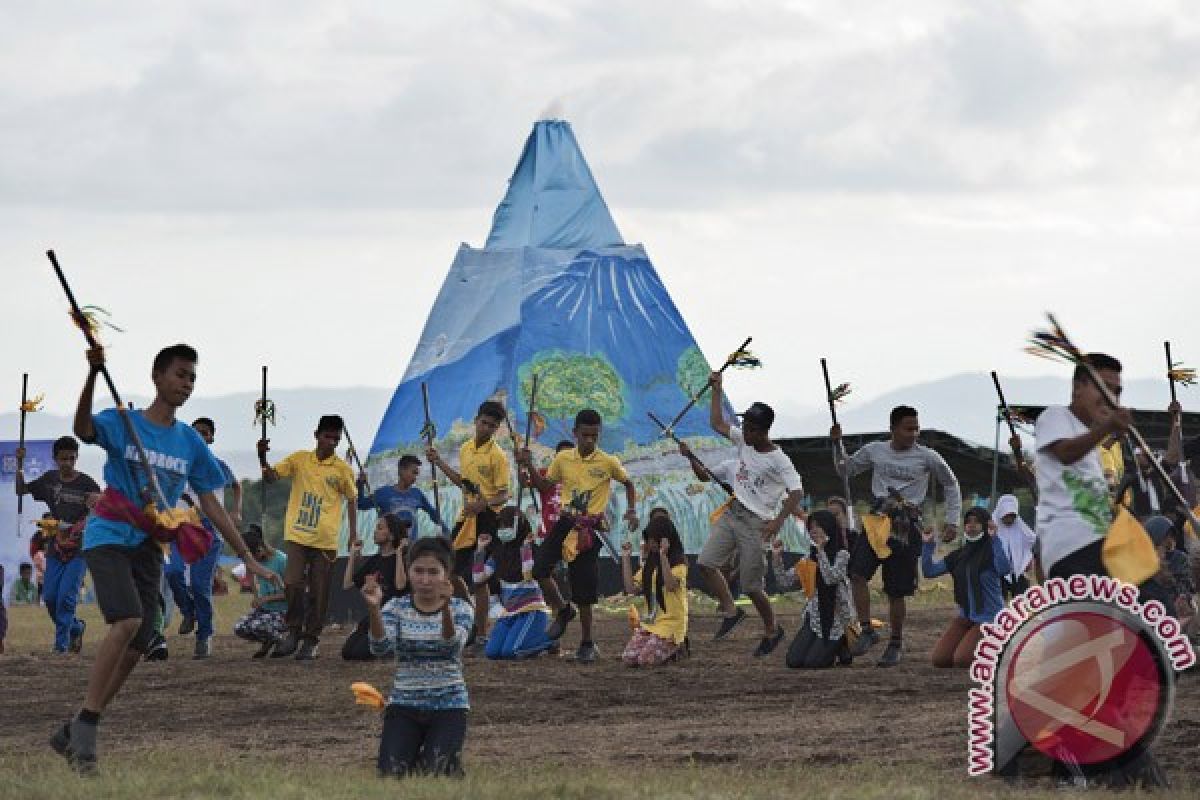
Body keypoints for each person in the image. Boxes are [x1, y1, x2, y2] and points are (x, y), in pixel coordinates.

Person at [50, 343, 276, 773]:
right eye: (180, 375)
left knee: (142, 639)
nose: (187, 384)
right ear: (157, 376)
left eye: (192, 378)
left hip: (150, 543)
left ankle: (81, 722)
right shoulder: (125, 423)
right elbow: (82, 429)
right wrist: (93, 374)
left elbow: (211, 504)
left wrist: (248, 557)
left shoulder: (190, 441)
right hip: (109, 533)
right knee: (129, 621)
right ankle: (86, 735)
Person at [1033, 352, 1168, 787]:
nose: (1112, 397)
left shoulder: (1098, 444)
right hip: (1073, 552)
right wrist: (1108, 427)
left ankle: (1099, 755)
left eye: (1119, 390)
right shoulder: (1056, 419)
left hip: (1102, 550)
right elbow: (1068, 455)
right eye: (1104, 387)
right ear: (1077, 388)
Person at [831, 404, 962, 667]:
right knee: (856, 573)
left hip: (906, 525)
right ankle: (867, 630)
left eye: (916, 428)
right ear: (892, 429)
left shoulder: (928, 457)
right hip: (878, 521)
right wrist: (836, 445)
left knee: (896, 590)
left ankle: (895, 642)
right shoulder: (874, 451)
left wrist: (952, 520)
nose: (914, 434)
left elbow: (951, 483)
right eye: (908, 428)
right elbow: (845, 469)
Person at [695, 372, 803, 658]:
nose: (743, 431)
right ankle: (731, 611)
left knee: (753, 586)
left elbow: (797, 492)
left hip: (757, 524)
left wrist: (778, 523)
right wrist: (717, 390)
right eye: (744, 426)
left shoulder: (779, 460)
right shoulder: (745, 441)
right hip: (733, 514)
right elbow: (717, 423)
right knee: (706, 563)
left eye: (749, 428)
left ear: (761, 430)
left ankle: (772, 629)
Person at [519, 409, 639, 664]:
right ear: (575, 433)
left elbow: (628, 484)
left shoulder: (609, 462)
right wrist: (529, 463)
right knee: (540, 569)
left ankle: (587, 643)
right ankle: (563, 611)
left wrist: (631, 510)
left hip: (589, 530)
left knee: (584, 589)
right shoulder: (563, 458)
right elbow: (544, 486)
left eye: (594, 436)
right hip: (564, 523)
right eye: (584, 435)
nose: (589, 441)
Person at [365, 536, 473, 777]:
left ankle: (447, 766)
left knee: (435, 773)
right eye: (419, 571)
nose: (425, 580)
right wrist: (374, 609)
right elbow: (380, 649)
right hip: (404, 704)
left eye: (433, 572)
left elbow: (452, 647)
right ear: (409, 570)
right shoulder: (395, 607)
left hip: (449, 704)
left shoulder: (461, 608)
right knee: (391, 774)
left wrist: (445, 609)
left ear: (447, 574)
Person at [259, 414, 360, 661]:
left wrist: (353, 534)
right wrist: (262, 457)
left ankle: (311, 640)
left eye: (336, 439)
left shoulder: (342, 469)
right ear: (316, 435)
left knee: (319, 591)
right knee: (292, 583)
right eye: (327, 437)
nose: (332, 442)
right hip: (297, 534)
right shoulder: (300, 459)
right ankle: (292, 632)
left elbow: (352, 498)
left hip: (325, 540)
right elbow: (271, 477)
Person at [426, 401, 510, 648]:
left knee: (479, 578)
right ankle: (474, 615)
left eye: (492, 426)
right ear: (476, 420)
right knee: (450, 570)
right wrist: (439, 463)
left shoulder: (498, 456)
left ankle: (482, 631)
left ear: (497, 429)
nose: (486, 429)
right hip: (466, 518)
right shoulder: (465, 449)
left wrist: (483, 505)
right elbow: (464, 483)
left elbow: (504, 495)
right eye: (484, 423)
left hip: (487, 520)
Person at [164, 417, 241, 659]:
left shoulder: (218, 465)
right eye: (195, 432)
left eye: (205, 433)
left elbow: (237, 485)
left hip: (209, 530)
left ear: (211, 438)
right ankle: (188, 611)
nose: (200, 436)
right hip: (180, 526)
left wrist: (235, 511)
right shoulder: (178, 464)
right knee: (173, 572)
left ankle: (204, 635)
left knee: (200, 585)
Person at [16, 435, 101, 653]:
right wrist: (19, 464)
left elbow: (100, 511)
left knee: (66, 598)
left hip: (80, 549)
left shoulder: (87, 484)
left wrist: (86, 521)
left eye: (72, 459)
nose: (68, 463)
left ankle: (60, 647)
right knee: (51, 597)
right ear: (55, 459)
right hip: (55, 548)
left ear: (77, 458)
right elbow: (21, 490)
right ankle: (75, 628)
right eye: (63, 459)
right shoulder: (49, 480)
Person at [921, 506, 1011, 668]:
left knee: (962, 660)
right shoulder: (959, 555)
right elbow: (929, 571)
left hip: (989, 617)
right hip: (967, 616)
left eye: (977, 522)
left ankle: (999, 642)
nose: (971, 525)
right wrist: (928, 545)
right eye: (968, 521)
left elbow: (1004, 569)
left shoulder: (992, 551)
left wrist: (995, 539)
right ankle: (979, 641)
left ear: (985, 525)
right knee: (940, 660)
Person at [778, 509, 856, 668]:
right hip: (814, 617)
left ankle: (842, 643)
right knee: (793, 662)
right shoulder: (809, 557)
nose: (813, 530)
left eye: (818, 526)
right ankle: (831, 647)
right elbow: (785, 581)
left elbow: (830, 578)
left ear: (828, 527)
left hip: (835, 620)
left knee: (814, 663)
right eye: (811, 527)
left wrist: (821, 551)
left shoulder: (842, 555)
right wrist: (776, 557)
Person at [473, 507, 555, 660]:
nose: (503, 530)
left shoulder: (531, 549)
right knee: (492, 652)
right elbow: (478, 578)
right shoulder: (499, 553)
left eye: (507, 526)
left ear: (519, 526)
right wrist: (480, 550)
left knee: (512, 652)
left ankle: (548, 641)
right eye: (501, 526)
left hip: (531, 611)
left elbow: (527, 574)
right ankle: (533, 641)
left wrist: (525, 548)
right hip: (509, 613)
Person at [620, 513, 689, 666]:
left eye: (653, 539)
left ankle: (678, 646)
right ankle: (663, 647)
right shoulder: (649, 565)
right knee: (629, 659)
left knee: (646, 660)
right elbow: (631, 588)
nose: (650, 543)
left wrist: (663, 556)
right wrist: (625, 558)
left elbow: (670, 585)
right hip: (651, 623)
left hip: (671, 625)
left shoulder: (679, 565)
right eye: (648, 539)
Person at [342, 513, 409, 661]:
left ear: (391, 536)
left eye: (380, 528)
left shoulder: (402, 560)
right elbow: (347, 584)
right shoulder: (374, 560)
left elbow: (400, 585)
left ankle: (393, 645)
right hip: (374, 616)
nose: (375, 531)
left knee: (360, 653)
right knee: (348, 652)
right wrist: (352, 555)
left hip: (392, 617)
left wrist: (399, 553)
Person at [232, 525, 289, 658]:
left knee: (258, 625)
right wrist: (257, 597)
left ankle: (282, 641)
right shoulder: (254, 562)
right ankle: (268, 640)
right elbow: (251, 577)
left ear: (260, 549)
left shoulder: (282, 560)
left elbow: (292, 594)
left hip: (284, 612)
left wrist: (266, 599)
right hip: (265, 611)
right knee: (240, 627)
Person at [357, 454, 446, 535]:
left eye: (417, 474)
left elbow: (433, 514)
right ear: (401, 470)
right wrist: (360, 484)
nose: (415, 477)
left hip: (410, 549)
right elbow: (361, 505)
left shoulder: (417, 493)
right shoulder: (383, 493)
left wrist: (446, 531)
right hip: (390, 549)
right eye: (413, 472)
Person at [991, 494, 1036, 599]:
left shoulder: (1020, 527)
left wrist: (1028, 559)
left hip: (1018, 571)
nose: (1009, 519)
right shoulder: (992, 528)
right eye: (1006, 515)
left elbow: (1031, 541)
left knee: (1022, 602)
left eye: (1012, 516)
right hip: (997, 574)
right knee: (998, 602)